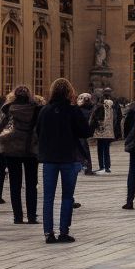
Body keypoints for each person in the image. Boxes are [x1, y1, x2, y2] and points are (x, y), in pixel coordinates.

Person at [36, 78, 92, 243]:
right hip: (68, 157)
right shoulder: (73, 110)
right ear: (69, 92)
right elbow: (85, 131)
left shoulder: (45, 110)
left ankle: (48, 233)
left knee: (48, 197)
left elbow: (38, 132)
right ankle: (63, 231)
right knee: (67, 196)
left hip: (49, 158)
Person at [0, 86, 41, 224]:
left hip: (12, 150)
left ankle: (18, 216)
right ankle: (32, 216)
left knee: (15, 184)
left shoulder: (8, 108)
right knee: (31, 184)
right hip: (30, 150)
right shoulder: (36, 108)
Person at [90, 93, 117, 173]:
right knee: (106, 149)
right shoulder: (112, 108)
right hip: (109, 132)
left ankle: (102, 166)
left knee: (100, 149)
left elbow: (95, 118)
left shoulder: (99, 107)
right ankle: (107, 167)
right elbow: (115, 120)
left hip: (100, 131)